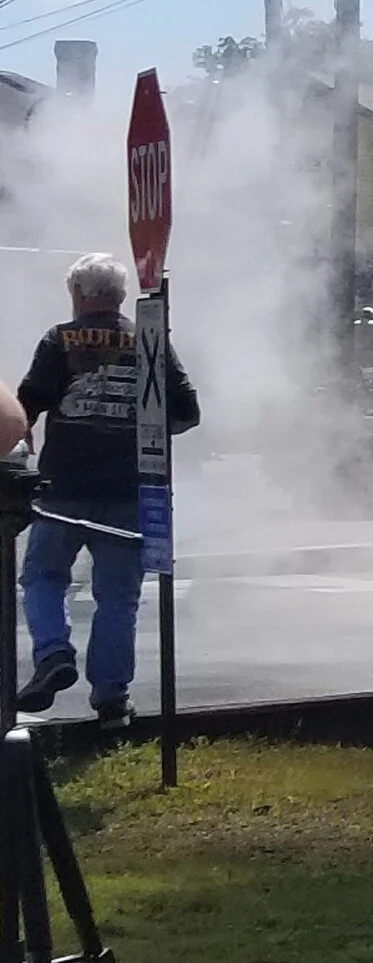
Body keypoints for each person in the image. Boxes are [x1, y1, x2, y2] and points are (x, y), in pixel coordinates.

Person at [17, 254, 197, 723]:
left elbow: (26, 404)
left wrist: (27, 431)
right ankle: (111, 697)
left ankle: (54, 652)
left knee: (42, 577)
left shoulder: (59, 339)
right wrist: (145, 432)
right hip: (129, 489)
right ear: (118, 296)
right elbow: (188, 410)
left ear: (78, 294)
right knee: (118, 597)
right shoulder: (148, 339)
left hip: (62, 487)